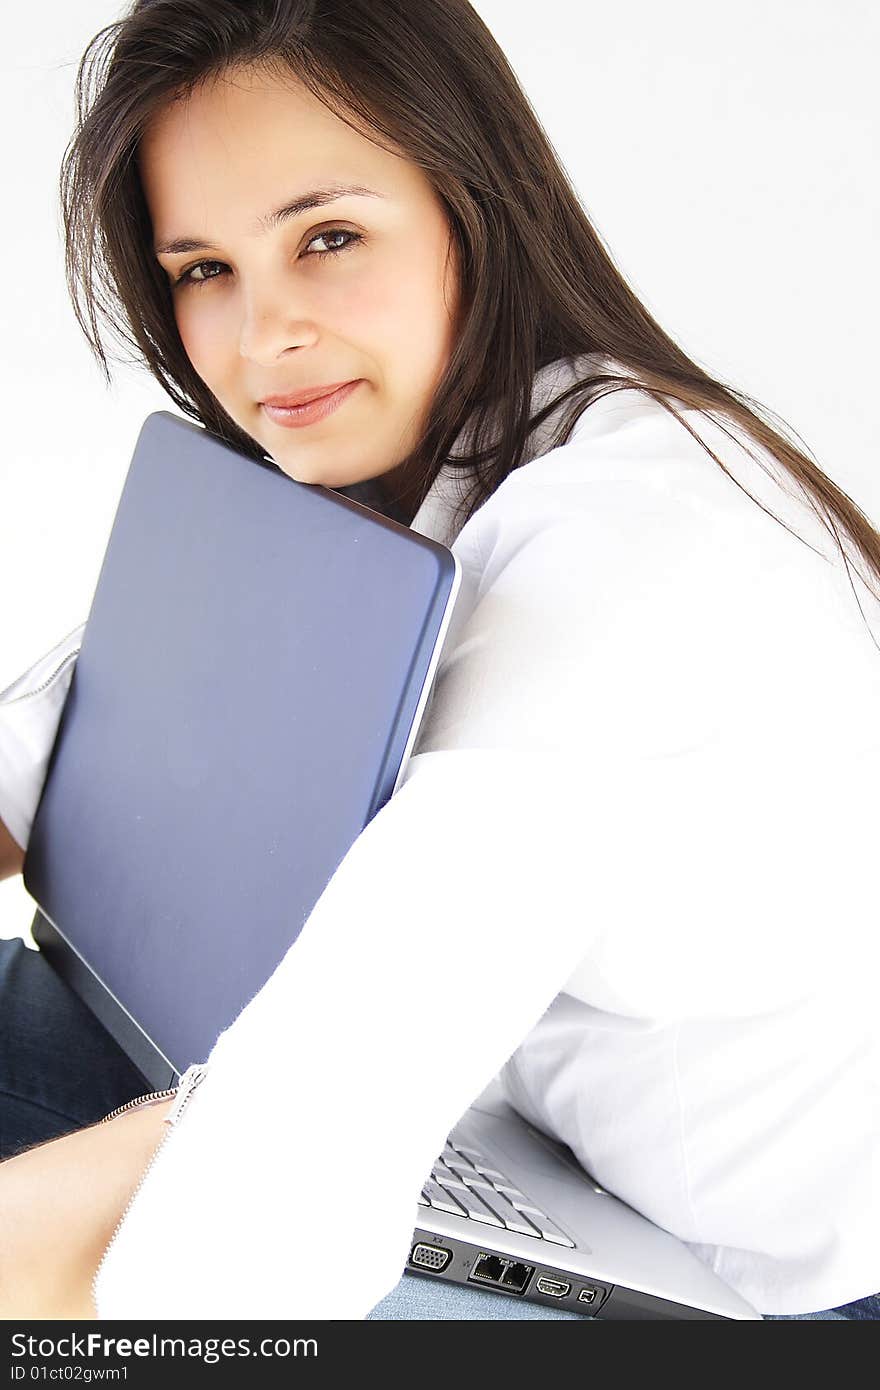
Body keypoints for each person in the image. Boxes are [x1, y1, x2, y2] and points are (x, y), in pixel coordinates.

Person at [0, 0, 877, 1322]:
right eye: (203, 269)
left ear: (481, 205)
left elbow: (313, 1128)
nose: (262, 335)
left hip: (779, 1296)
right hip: (561, 1162)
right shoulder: (408, 470)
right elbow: (85, 709)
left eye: (329, 237)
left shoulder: (637, 548)